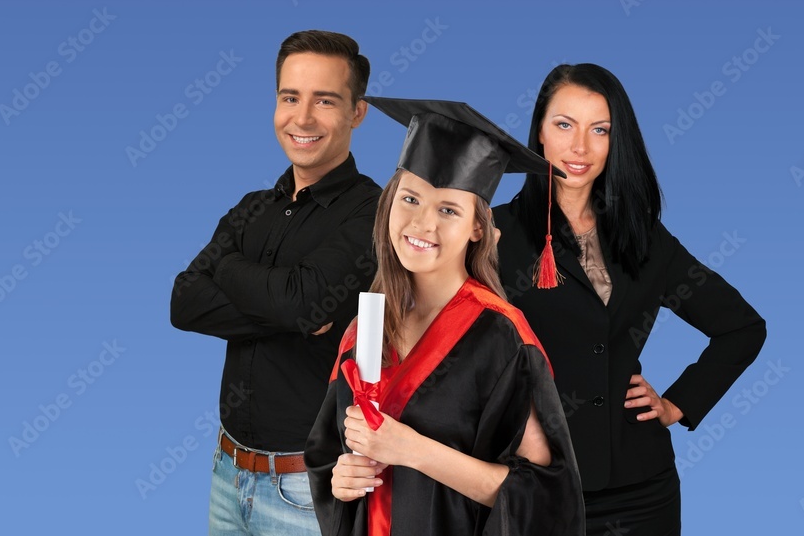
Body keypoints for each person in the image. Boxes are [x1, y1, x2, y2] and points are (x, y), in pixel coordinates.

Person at [492, 63, 767, 535]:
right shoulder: (492, 234)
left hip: (640, 488)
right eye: (564, 125)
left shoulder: (643, 238)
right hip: (530, 481)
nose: (580, 147)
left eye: (600, 130)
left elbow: (741, 327)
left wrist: (677, 403)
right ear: (538, 130)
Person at [304, 98, 585, 536]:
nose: (422, 223)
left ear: (478, 227)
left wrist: (413, 450)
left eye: (448, 209)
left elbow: (544, 495)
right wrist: (341, 481)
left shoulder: (500, 335)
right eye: (410, 198)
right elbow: (329, 456)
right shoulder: (365, 329)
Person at [169, 30, 381, 536]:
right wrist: (287, 307)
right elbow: (184, 302)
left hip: (307, 491)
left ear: (357, 112)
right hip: (227, 473)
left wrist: (227, 267)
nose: (302, 118)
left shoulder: (375, 213)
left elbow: (302, 305)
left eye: (324, 100)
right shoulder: (253, 206)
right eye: (290, 97)